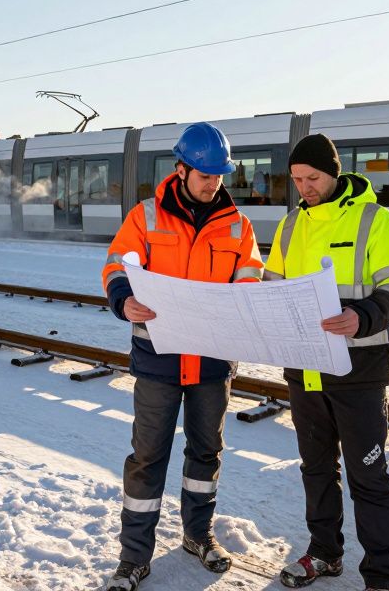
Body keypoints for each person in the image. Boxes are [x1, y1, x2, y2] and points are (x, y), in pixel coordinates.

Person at [99, 122, 265, 591]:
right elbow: (117, 264)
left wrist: (245, 294)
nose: (213, 182)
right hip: (158, 357)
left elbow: (250, 270)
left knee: (206, 452)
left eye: (219, 175)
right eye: (205, 174)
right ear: (182, 168)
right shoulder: (145, 216)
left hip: (212, 361)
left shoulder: (238, 224)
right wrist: (122, 298)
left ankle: (198, 535)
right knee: (148, 456)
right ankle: (133, 558)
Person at [266, 134, 389, 591]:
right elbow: (274, 285)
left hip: (359, 372)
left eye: (312, 178)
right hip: (305, 370)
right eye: (296, 179)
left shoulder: (375, 219)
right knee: (315, 470)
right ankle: (325, 554)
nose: (304, 187)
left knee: (368, 477)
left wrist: (363, 316)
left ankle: (380, 577)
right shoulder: (290, 224)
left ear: (333, 173)